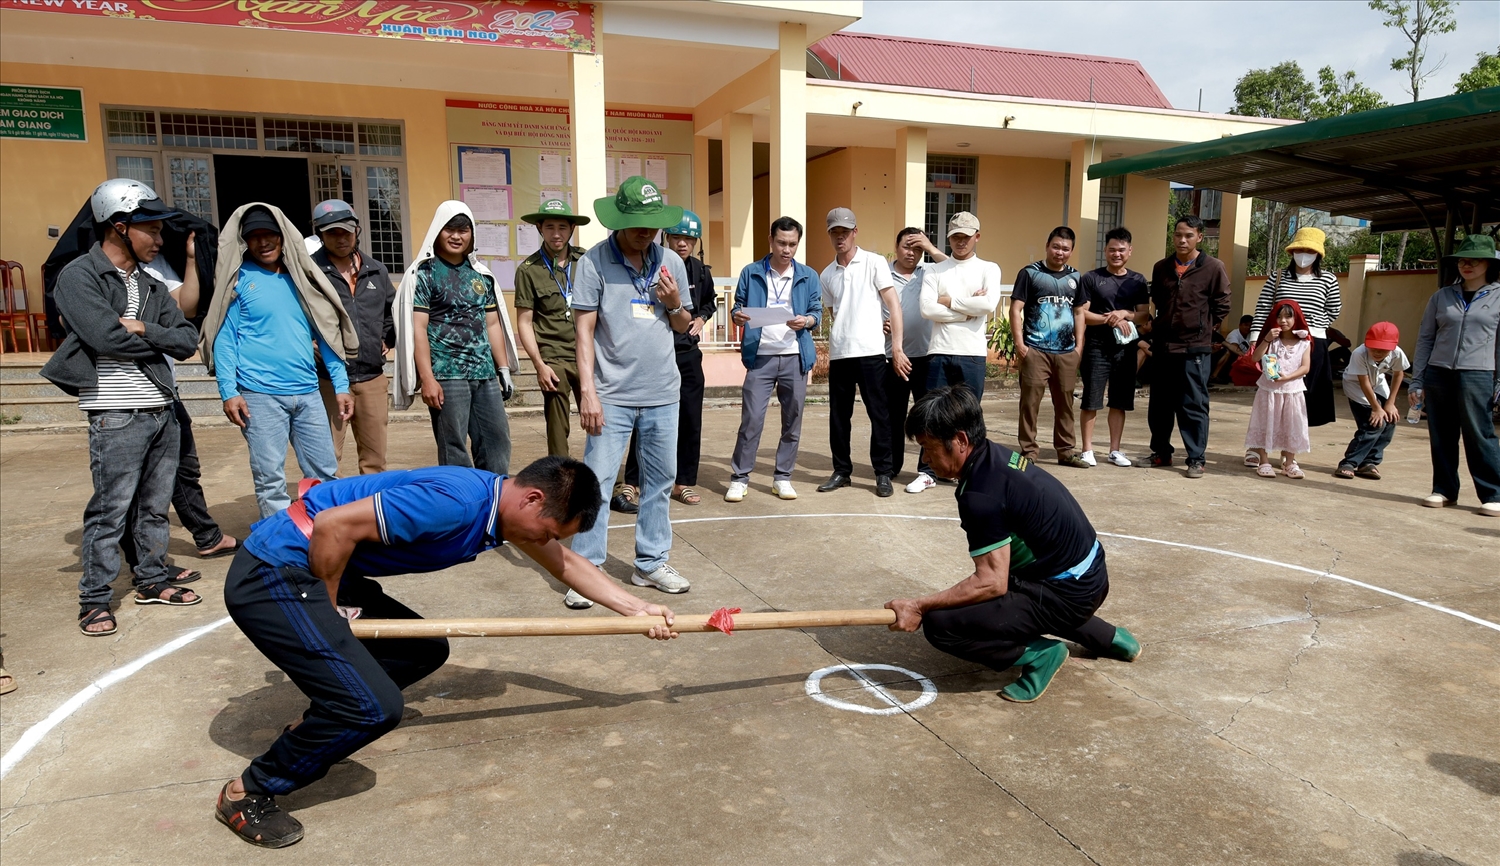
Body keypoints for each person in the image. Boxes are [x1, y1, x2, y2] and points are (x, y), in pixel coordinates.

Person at [214, 456, 680, 848]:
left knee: (421, 649)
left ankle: (321, 716)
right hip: (277, 573)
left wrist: (637, 608)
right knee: (373, 708)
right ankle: (246, 792)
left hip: (321, 562)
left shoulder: (502, 506)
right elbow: (334, 525)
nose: (545, 542)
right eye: (547, 531)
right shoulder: (455, 503)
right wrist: (333, 609)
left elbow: (566, 563)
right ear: (533, 499)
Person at [884, 386, 1139, 703]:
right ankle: (1112, 638)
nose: (925, 458)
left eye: (928, 447)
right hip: (1091, 575)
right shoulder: (997, 456)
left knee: (941, 623)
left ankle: (1039, 656)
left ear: (961, 441)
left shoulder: (979, 495)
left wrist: (921, 606)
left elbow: (991, 582)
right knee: (1020, 581)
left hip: (1069, 594)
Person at [42, 179, 203, 635]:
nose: (160, 238)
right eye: (150, 229)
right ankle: (94, 598)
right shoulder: (78, 277)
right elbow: (105, 337)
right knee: (110, 511)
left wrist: (142, 329)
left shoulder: (151, 285)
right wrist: (139, 332)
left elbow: (188, 341)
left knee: (154, 508)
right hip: (115, 411)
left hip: (162, 410)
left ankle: (152, 579)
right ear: (119, 226)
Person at [566, 176, 696, 610]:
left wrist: (675, 302)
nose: (647, 232)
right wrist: (588, 392)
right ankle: (587, 571)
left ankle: (651, 563)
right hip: (611, 394)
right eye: (638, 224)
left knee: (659, 482)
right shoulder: (594, 263)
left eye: (653, 224)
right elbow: (583, 332)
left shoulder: (670, 263)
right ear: (619, 221)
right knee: (597, 483)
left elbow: (682, 325)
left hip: (663, 391)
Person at [199, 203, 357, 519]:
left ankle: (325, 532)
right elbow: (225, 340)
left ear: (283, 236)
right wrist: (229, 391)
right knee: (270, 478)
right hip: (259, 396)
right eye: (254, 236)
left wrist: (341, 385)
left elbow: (327, 335)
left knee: (324, 472)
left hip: (309, 393)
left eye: (269, 234)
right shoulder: (239, 280)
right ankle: (281, 544)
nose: (263, 242)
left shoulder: (302, 280)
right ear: (245, 241)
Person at [396, 202, 518, 475]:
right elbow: (418, 328)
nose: (456, 236)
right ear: (438, 232)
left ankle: (495, 501)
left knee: (497, 442)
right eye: (449, 229)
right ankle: (462, 506)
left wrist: (503, 368)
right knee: (454, 449)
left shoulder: (481, 276)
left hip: (484, 373)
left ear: (471, 235)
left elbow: (493, 323)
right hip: (446, 375)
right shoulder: (425, 274)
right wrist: (427, 378)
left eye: (463, 230)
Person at [624, 210, 718, 505]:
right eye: (677, 237)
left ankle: (683, 482)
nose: (682, 244)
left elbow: (709, 302)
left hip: (688, 354)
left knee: (690, 420)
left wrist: (702, 317)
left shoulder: (702, 271)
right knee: (645, 419)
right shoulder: (653, 264)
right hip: (655, 355)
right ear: (667, 237)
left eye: (688, 239)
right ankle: (633, 482)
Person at [726, 216, 822, 502]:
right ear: (770, 240)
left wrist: (805, 321)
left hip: (794, 356)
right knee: (752, 419)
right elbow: (737, 306)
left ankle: (783, 477)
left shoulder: (808, 275)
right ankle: (740, 478)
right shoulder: (752, 271)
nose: (787, 249)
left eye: (792, 244)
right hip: (761, 357)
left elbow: (816, 312)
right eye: (781, 243)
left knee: (792, 420)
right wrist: (737, 315)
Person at [818, 207, 909, 497]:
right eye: (835, 231)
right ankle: (842, 470)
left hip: (871, 352)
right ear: (830, 234)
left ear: (855, 232)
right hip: (841, 353)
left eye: (845, 231)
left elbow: (893, 304)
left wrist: (896, 346)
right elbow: (835, 312)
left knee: (879, 414)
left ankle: (883, 473)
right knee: (838, 416)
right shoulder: (827, 274)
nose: (840, 236)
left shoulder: (873, 262)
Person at [1410, 234, 1500, 516]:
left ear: (1489, 264)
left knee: (1480, 434)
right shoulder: (1442, 296)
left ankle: (1493, 493)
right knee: (1442, 434)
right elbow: (1426, 338)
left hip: (1479, 373)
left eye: (1474, 260)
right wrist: (1418, 378)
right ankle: (1445, 490)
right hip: (1439, 373)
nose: (1467, 265)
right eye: (1462, 260)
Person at [310, 199, 397, 475]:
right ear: (320, 234)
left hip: (371, 377)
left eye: (346, 231)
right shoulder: (310, 272)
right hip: (326, 380)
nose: (340, 238)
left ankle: (369, 513)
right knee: (325, 458)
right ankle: (322, 514)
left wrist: (387, 338)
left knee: (374, 460)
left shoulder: (376, 271)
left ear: (357, 229)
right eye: (332, 232)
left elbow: (390, 310)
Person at [1146, 215, 1232, 479]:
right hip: (1163, 347)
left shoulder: (1213, 267)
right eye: (1178, 235)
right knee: (1159, 404)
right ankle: (1161, 453)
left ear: (1200, 237)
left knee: (1193, 405)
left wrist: (1203, 329)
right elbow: (1158, 301)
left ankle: (1196, 458)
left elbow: (1222, 304)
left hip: (1194, 349)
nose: (1182, 240)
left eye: (1189, 236)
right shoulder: (1161, 267)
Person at [514, 199, 593, 458]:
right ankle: (562, 484)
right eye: (549, 227)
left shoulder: (587, 262)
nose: (556, 234)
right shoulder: (528, 270)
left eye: (562, 227)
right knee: (558, 429)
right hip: (553, 356)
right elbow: (525, 321)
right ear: (539, 228)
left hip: (588, 354)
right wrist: (539, 365)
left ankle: (610, 486)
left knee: (599, 419)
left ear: (572, 229)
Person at [1010, 226, 1088, 468]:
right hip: (1036, 349)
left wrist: (1079, 347)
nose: (1060, 252)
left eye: (1065, 249)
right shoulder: (1030, 273)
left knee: (1065, 403)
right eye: (1056, 247)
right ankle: (1028, 452)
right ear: (1047, 246)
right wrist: (1020, 345)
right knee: (1030, 403)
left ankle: (1065, 452)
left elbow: (1079, 312)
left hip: (1066, 352)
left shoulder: (1075, 277)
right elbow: (1015, 309)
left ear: (1071, 251)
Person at [1250, 227, 1342, 427]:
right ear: (1292, 252)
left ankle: (1294, 439)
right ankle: (1267, 435)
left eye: (1310, 251)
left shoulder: (1328, 279)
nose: (1304, 255)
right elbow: (1264, 307)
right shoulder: (1278, 277)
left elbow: (1334, 309)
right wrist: (1255, 337)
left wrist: (1315, 325)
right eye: (1300, 250)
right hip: (1280, 340)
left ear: (1318, 254)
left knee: (1307, 391)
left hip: (1313, 340)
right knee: (1276, 387)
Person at [1077, 227, 1150, 468]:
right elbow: (1082, 313)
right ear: (1105, 250)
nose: (1116, 254)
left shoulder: (1138, 280)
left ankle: (1114, 450)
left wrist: (1124, 314)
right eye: (1111, 250)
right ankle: (1087, 450)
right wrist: (1111, 319)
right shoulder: (1091, 278)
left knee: (1119, 401)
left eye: (1121, 250)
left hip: (1126, 349)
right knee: (1091, 399)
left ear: (1130, 251)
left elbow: (1142, 315)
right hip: (1097, 347)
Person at [887, 227, 945, 493]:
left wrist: (931, 249)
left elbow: (956, 270)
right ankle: (890, 466)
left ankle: (928, 469)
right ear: (896, 247)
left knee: (927, 417)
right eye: (907, 247)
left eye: (918, 249)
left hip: (926, 356)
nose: (912, 253)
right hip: (892, 357)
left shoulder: (930, 272)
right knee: (893, 416)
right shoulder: (882, 273)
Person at [920, 211, 1002, 400]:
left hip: (971, 353)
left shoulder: (988, 268)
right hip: (939, 350)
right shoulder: (935, 270)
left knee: (969, 414)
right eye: (956, 237)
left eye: (966, 236)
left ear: (977, 236)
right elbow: (927, 309)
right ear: (949, 237)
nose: (961, 242)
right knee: (936, 415)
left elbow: (988, 304)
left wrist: (950, 301)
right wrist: (967, 312)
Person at [1244, 300, 1313, 479]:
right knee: (1265, 422)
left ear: (1296, 318)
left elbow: (1305, 367)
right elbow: (1255, 359)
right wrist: (1266, 339)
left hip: (1293, 391)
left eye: (1288, 316)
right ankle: (1264, 460)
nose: (1283, 321)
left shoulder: (1303, 342)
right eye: (1279, 316)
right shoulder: (1272, 340)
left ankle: (1289, 463)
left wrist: (1287, 377)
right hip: (1269, 391)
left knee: (1292, 425)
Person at [1335, 322, 1408, 480]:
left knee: (1390, 420)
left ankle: (1369, 462)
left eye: (1382, 350)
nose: (1377, 352)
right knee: (1374, 424)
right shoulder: (1359, 353)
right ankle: (1349, 462)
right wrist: (1376, 407)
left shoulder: (1397, 353)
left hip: (1378, 382)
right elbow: (1364, 381)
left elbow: (1398, 375)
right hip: (1357, 386)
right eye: (1373, 347)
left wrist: (1390, 403)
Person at [1213, 315, 1254, 384]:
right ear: (1240, 325)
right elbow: (1234, 347)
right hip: (1228, 362)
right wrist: (1246, 358)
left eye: (1250, 326)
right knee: (1230, 353)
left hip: (1244, 361)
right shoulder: (1234, 335)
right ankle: (1214, 376)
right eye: (1246, 325)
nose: (1248, 328)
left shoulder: (1251, 335)